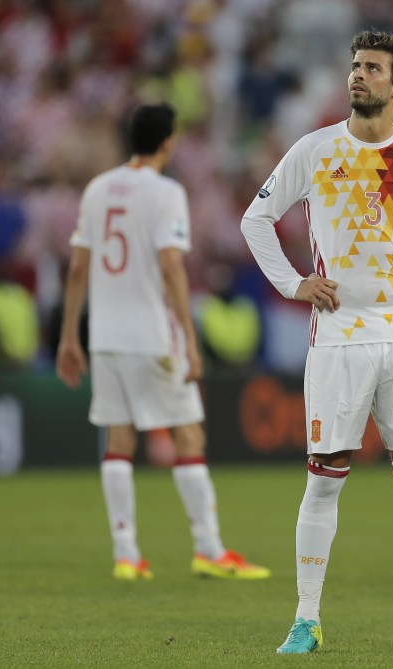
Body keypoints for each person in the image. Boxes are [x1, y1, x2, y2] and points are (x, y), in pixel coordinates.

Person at [241, 30, 393, 656]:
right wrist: (295, 283)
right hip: (340, 339)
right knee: (324, 480)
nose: (359, 76)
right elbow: (256, 218)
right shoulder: (317, 150)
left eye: (373, 68)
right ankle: (305, 620)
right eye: (355, 66)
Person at [57, 103, 269, 582]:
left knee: (118, 440)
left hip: (105, 337)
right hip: (153, 334)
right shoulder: (167, 192)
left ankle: (127, 554)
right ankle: (209, 549)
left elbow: (76, 269)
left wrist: (70, 336)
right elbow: (172, 266)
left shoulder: (97, 189)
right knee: (188, 435)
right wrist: (191, 341)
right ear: (168, 141)